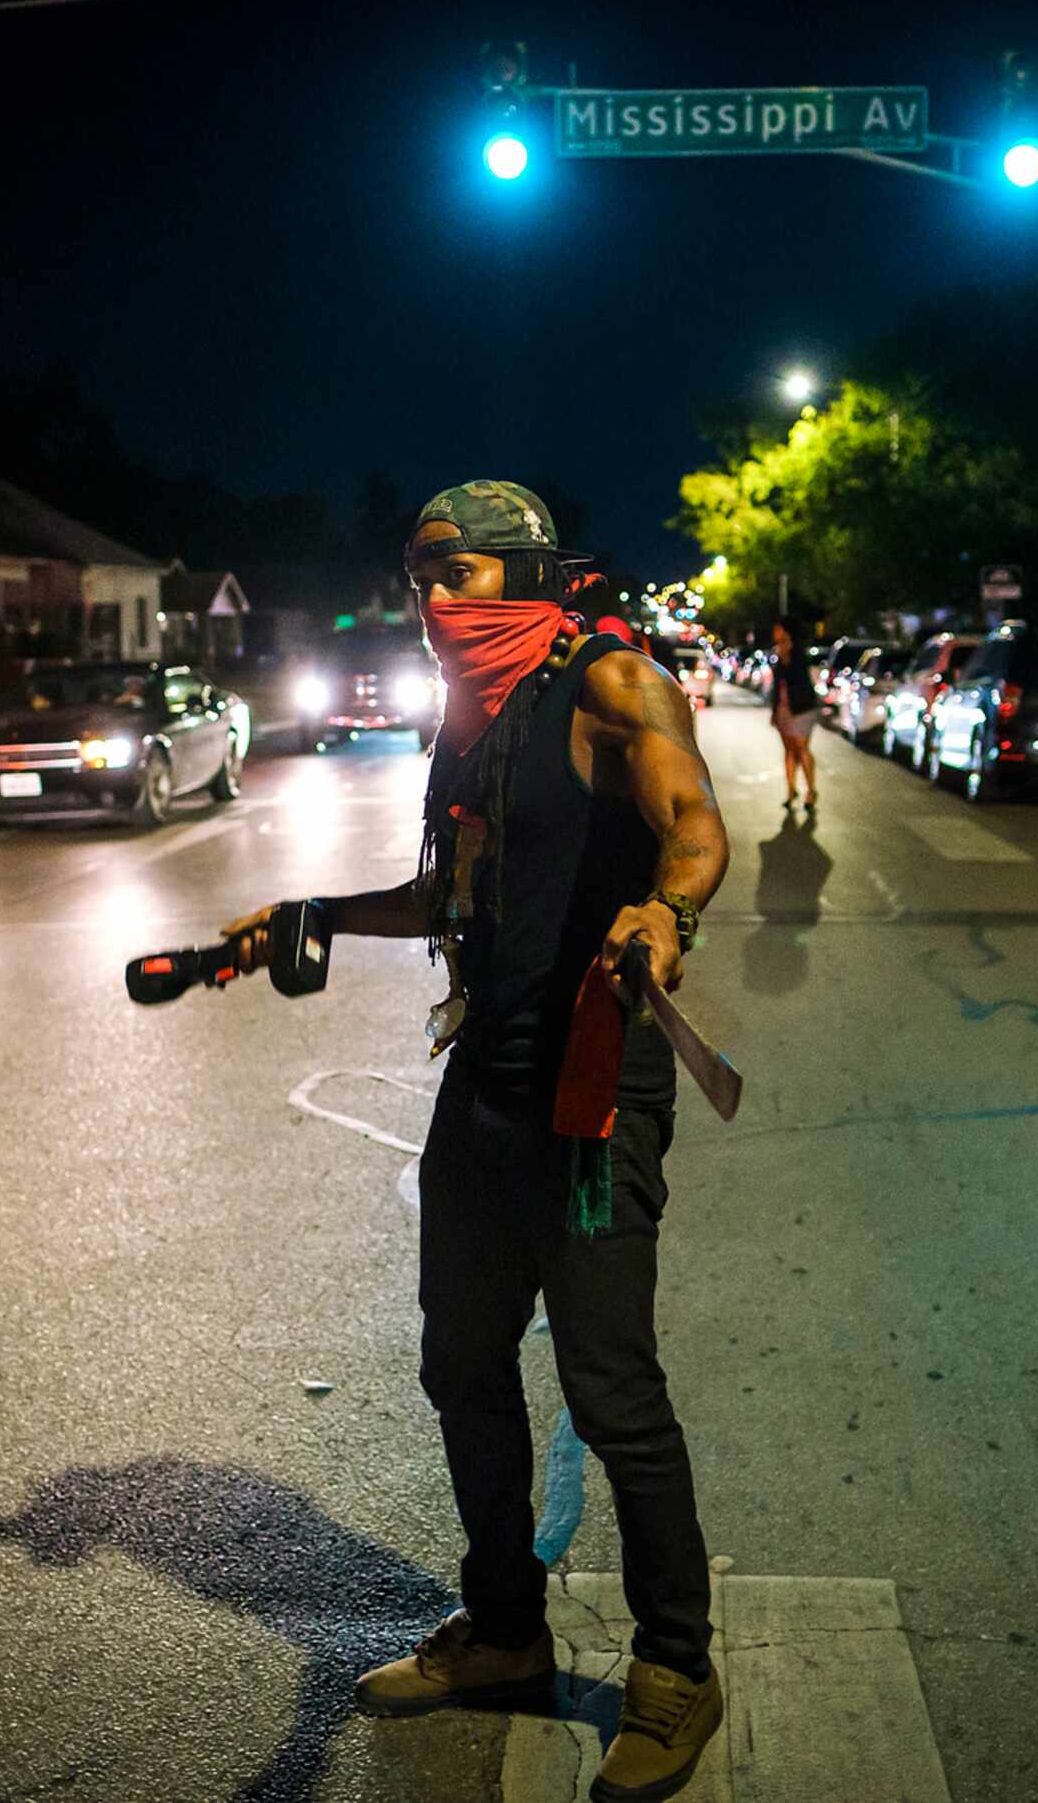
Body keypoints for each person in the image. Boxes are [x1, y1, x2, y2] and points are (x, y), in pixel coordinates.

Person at [224, 481, 732, 1801]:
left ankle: (676, 1668)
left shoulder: (608, 681)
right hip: (485, 1083)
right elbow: (443, 890)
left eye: (453, 574)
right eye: (415, 577)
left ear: (523, 574)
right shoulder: (467, 717)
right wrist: (312, 912)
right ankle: (503, 1627)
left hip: (591, 1084)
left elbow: (691, 824)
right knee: (460, 1358)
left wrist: (663, 918)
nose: (431, 600)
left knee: (612, 1390)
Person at [765, 617, 819, 812]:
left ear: (786, 631)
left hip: (802, 707)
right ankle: (790, 789)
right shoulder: (778, 651)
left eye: (777, 629)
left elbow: (797, 675)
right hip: (784, 709)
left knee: (801, 747)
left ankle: (811, 791)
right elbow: (777, 685)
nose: (774, 633)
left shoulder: (797, 651)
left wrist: (784, 650)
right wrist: (775, 709)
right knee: (788, 749)